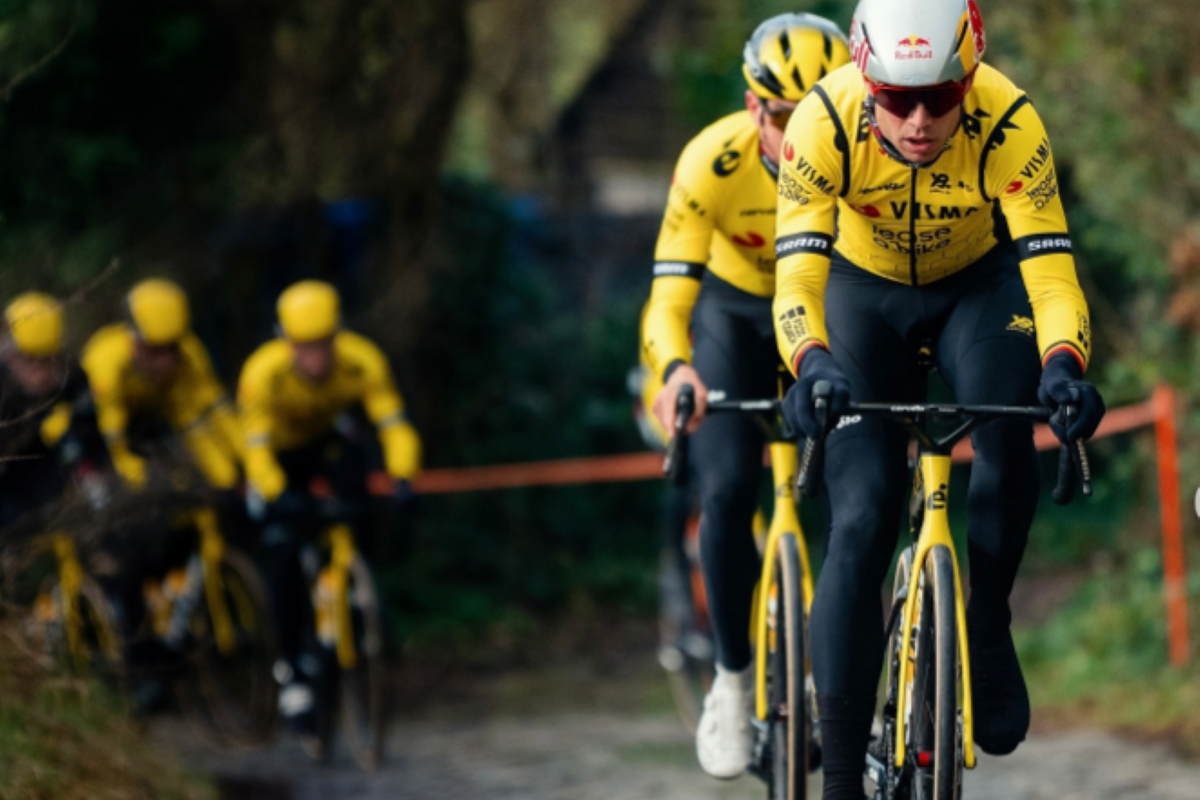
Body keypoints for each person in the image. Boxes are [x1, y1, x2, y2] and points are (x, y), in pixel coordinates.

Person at [770, 1, 1105, 797]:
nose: (919, 121)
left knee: (1007, 429)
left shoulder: (1011, 120)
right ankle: (844, 777)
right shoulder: (821, 121)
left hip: (976, 291)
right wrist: (810, 361)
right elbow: (797, 282)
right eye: (894, 99)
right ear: (864, 78)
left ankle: (985, 624)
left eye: (941, 97)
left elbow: (1050, 274)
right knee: (860, 516)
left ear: (970, 76)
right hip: (861, 295)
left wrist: (1064, 365)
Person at [641, 13, 850, 778]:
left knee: (850, 492)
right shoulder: (711, 161)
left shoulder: (863, 153)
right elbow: (668, 298)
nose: (800, 138)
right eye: (786, 119)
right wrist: (674, 371)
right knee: (725, 489)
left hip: (824, 320)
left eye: (817, 117)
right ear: (752, 106)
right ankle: (732, 682)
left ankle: (849, 674)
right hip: (734, 319)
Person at [237, 279, 421, 731]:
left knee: (363, 502)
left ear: (336, 335)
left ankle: (358, 597)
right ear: (286, 342)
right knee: (283, 549)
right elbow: (254, 446)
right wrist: (276, 491)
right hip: (277, 457)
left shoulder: (363, 360)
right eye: (304, 347)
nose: (315, 358)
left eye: (323, 345)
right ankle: (291, 671)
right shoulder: (262, 374)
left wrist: (402, 475)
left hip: (327, 444)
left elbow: (393, 423)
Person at [81, 278, 244, 492]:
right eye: (155, 350)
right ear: (134, 340)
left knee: (217, 472)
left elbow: (210, 409)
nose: (166, 361)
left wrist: (244, 465)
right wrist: (140, 479)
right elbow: (113, 435)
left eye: (172, 349)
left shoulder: (189, 350)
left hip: (158, 418)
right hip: (101, 427)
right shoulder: (106, 363)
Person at [0, 292, 102, 531]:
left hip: (39, 468)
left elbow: (90, 431)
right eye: (29, 359)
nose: (41, 373)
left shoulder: (71, 378)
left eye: (48, 359)